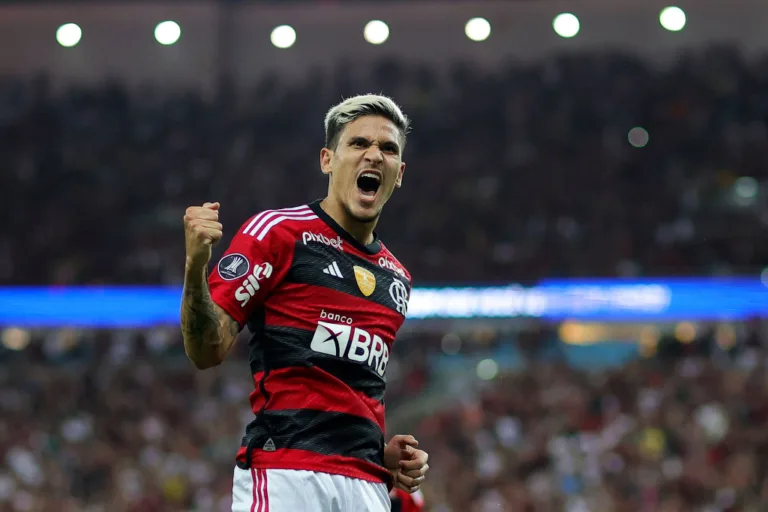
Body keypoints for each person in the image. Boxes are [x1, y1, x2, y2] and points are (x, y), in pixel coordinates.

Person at [181, 94, 430, 512]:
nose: (374, 155)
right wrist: (195, 267)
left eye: (388, 148)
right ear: (327, 160)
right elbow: (205, 350)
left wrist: (378, 452)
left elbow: (352, 391)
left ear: (399, 172)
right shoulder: (278, 233)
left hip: (367, 487)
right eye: (358, 143)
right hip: (287, 475)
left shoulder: (397, 279)